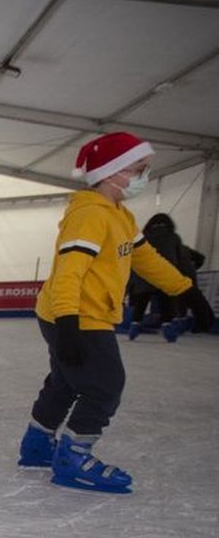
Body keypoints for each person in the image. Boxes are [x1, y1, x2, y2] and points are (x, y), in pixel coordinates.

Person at [16, 132, 214, 494]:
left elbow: (147, 259)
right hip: (77, 314)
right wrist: (69, 323)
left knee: (66, 380)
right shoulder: (91, 215)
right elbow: (69, 270)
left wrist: (187, 291)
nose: (143, 177)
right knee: (105, 385)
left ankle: (37, 443)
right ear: (112, 173)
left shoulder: (119, 216)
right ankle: (73, 457)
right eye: (138, 169)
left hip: (73, 312)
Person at [128, 214, 198, 342]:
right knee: (167, 304)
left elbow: (133, 258)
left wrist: (131, 282)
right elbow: (183, 259)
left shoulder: (143, 238)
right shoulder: (173, 237)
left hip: (144, 277)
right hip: (165, 275)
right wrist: (188, 276)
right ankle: (168, 330)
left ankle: (134, 327)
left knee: (141, 303)